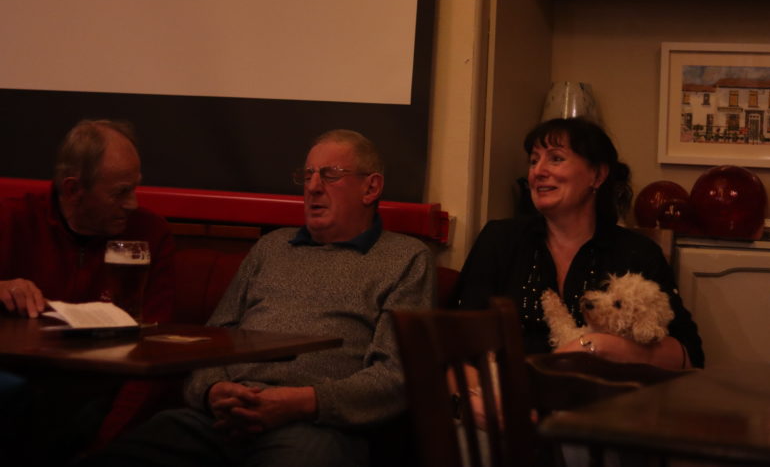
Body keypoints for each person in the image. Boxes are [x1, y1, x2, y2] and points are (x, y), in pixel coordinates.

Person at [78, 129, 435, 467]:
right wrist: (213, 390)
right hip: (221, 417)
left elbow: (396, 375)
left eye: (330, 175)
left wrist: (302, 402)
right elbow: (214, 339)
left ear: (370, 188)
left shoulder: (404, 258)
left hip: (316, 424)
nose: (312, 187)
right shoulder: (271, 247)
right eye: (308, 175)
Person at [455, 118, 703, 370]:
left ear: (597, 175)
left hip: (604, 404)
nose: (538, 171)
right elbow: (455, 342)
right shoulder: (499, 239)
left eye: (556, 158)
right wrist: (479, 400)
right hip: (506, 401)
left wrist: (599, 345)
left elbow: (688, 355)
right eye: (533, 160)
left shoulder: (637, 253)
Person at [0, 119, 176, 466]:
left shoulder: (150, 233)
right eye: (120, 192)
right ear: (72, 189)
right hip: (21, 389)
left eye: (135, 188)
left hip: (102, 397)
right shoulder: (13, 219)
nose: (132, 203)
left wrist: (102, 446)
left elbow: (154, 356)